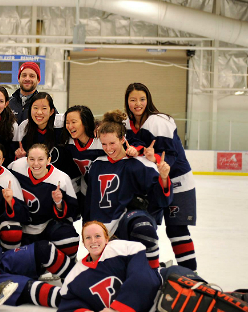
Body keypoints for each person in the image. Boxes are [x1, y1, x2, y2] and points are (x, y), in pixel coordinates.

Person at [57, 221, 248, 312]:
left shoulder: (123, 248)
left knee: (203, 300)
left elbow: (142, 277)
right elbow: (67, 301)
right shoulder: (76, 275)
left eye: (98, 236)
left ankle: (234, 299)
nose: (93, 241)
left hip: (166, 283)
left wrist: (117, 308)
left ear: (106, 238)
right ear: (83, 242)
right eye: (88, 238)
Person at [84, 109, 172, 269]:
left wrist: (164, 178)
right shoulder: (97, 164)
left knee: (142, 226)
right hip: (101, 230)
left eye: (112, 143)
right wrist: (87, 228)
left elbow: (161, 200)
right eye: (104, 144)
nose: (108, 148)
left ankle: (152, 270)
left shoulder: (140, 164)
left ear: (123, 139)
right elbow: (90, 200)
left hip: (124, 225)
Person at [124, 82, 198, 270]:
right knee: (145, 227)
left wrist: (154, 157)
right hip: (154, 183)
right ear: (127, 102)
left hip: (177, 181)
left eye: (142, 99)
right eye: (132, 100)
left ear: (148, 100)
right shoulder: (128, 124)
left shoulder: (158, 121)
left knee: (176, 229)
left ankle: (190, 273)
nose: (137, 103)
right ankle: (149, 267)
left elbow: (170, 156)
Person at [8, 144, 79, 264]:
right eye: (31, 159)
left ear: (49, 160)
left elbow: (72, 213)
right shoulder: (16, 166)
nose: (36, 164)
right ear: (26, 159)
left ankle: (68, 266)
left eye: (40, 159)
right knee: (8, 231)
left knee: (68, 238)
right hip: (23, 223)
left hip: (48, 226)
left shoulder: (61, 179)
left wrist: (59, 203)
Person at [15, 92, 79, 179]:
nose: (39, 112)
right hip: (38, 183)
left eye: (44, 108)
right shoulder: (24, 127)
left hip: (66, 182)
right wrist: (20, 156)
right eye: (35, 108)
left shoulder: (62, 123)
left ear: (52, 111)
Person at [60, 105, 104, 217]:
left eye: (74, 122)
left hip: (106, 190)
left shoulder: (102, 140)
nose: (69, 126)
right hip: (86, 189)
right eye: (67, 122)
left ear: (85, 122)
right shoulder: (68, 143)